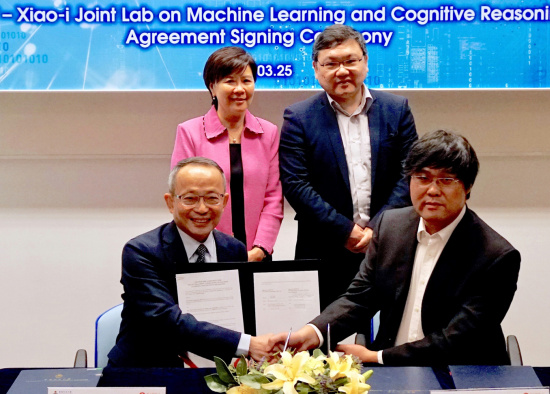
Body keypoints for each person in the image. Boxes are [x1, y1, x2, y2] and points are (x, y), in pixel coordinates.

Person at [273, 130, 521, 366]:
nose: (432, 190)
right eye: (422, 178)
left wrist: (378, 357)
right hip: (391, 373)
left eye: (446, 180)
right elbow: (359, 297)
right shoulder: (391, 226)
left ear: (467, 188)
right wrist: (313, 332)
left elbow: (456, 339)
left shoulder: (496, 256)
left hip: (458, 374)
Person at [279, 24, 418, 302]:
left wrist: (376, 230)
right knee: (323, 339)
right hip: (323, 249)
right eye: (331, 63)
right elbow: (296, 184)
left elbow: (410, 174)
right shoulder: (299, 117)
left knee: (388, 335)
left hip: (388, 246)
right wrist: (346, 231)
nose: (342, 71)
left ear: (365, 62)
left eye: (350, 61)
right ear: (316, 69)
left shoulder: (396, 109)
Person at [108, 157, 276, 367]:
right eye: (190, 198)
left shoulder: (234, 249)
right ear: (170, 202)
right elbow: (165, 320)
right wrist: (248, 344)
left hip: (219, 371)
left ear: (224, 202)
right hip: (148, 369)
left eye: (212, 198)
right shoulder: (141, 251)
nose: (202, 209)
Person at [171, 46, 283, 262]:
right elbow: (185, 200)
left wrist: (260, 249)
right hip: (205, 255)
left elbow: (273, 199)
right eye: (230, 81)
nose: (239, 89)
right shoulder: (189, 132)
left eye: (246, 81)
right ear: (212, 87)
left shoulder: (268, 132)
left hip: (258, 254)